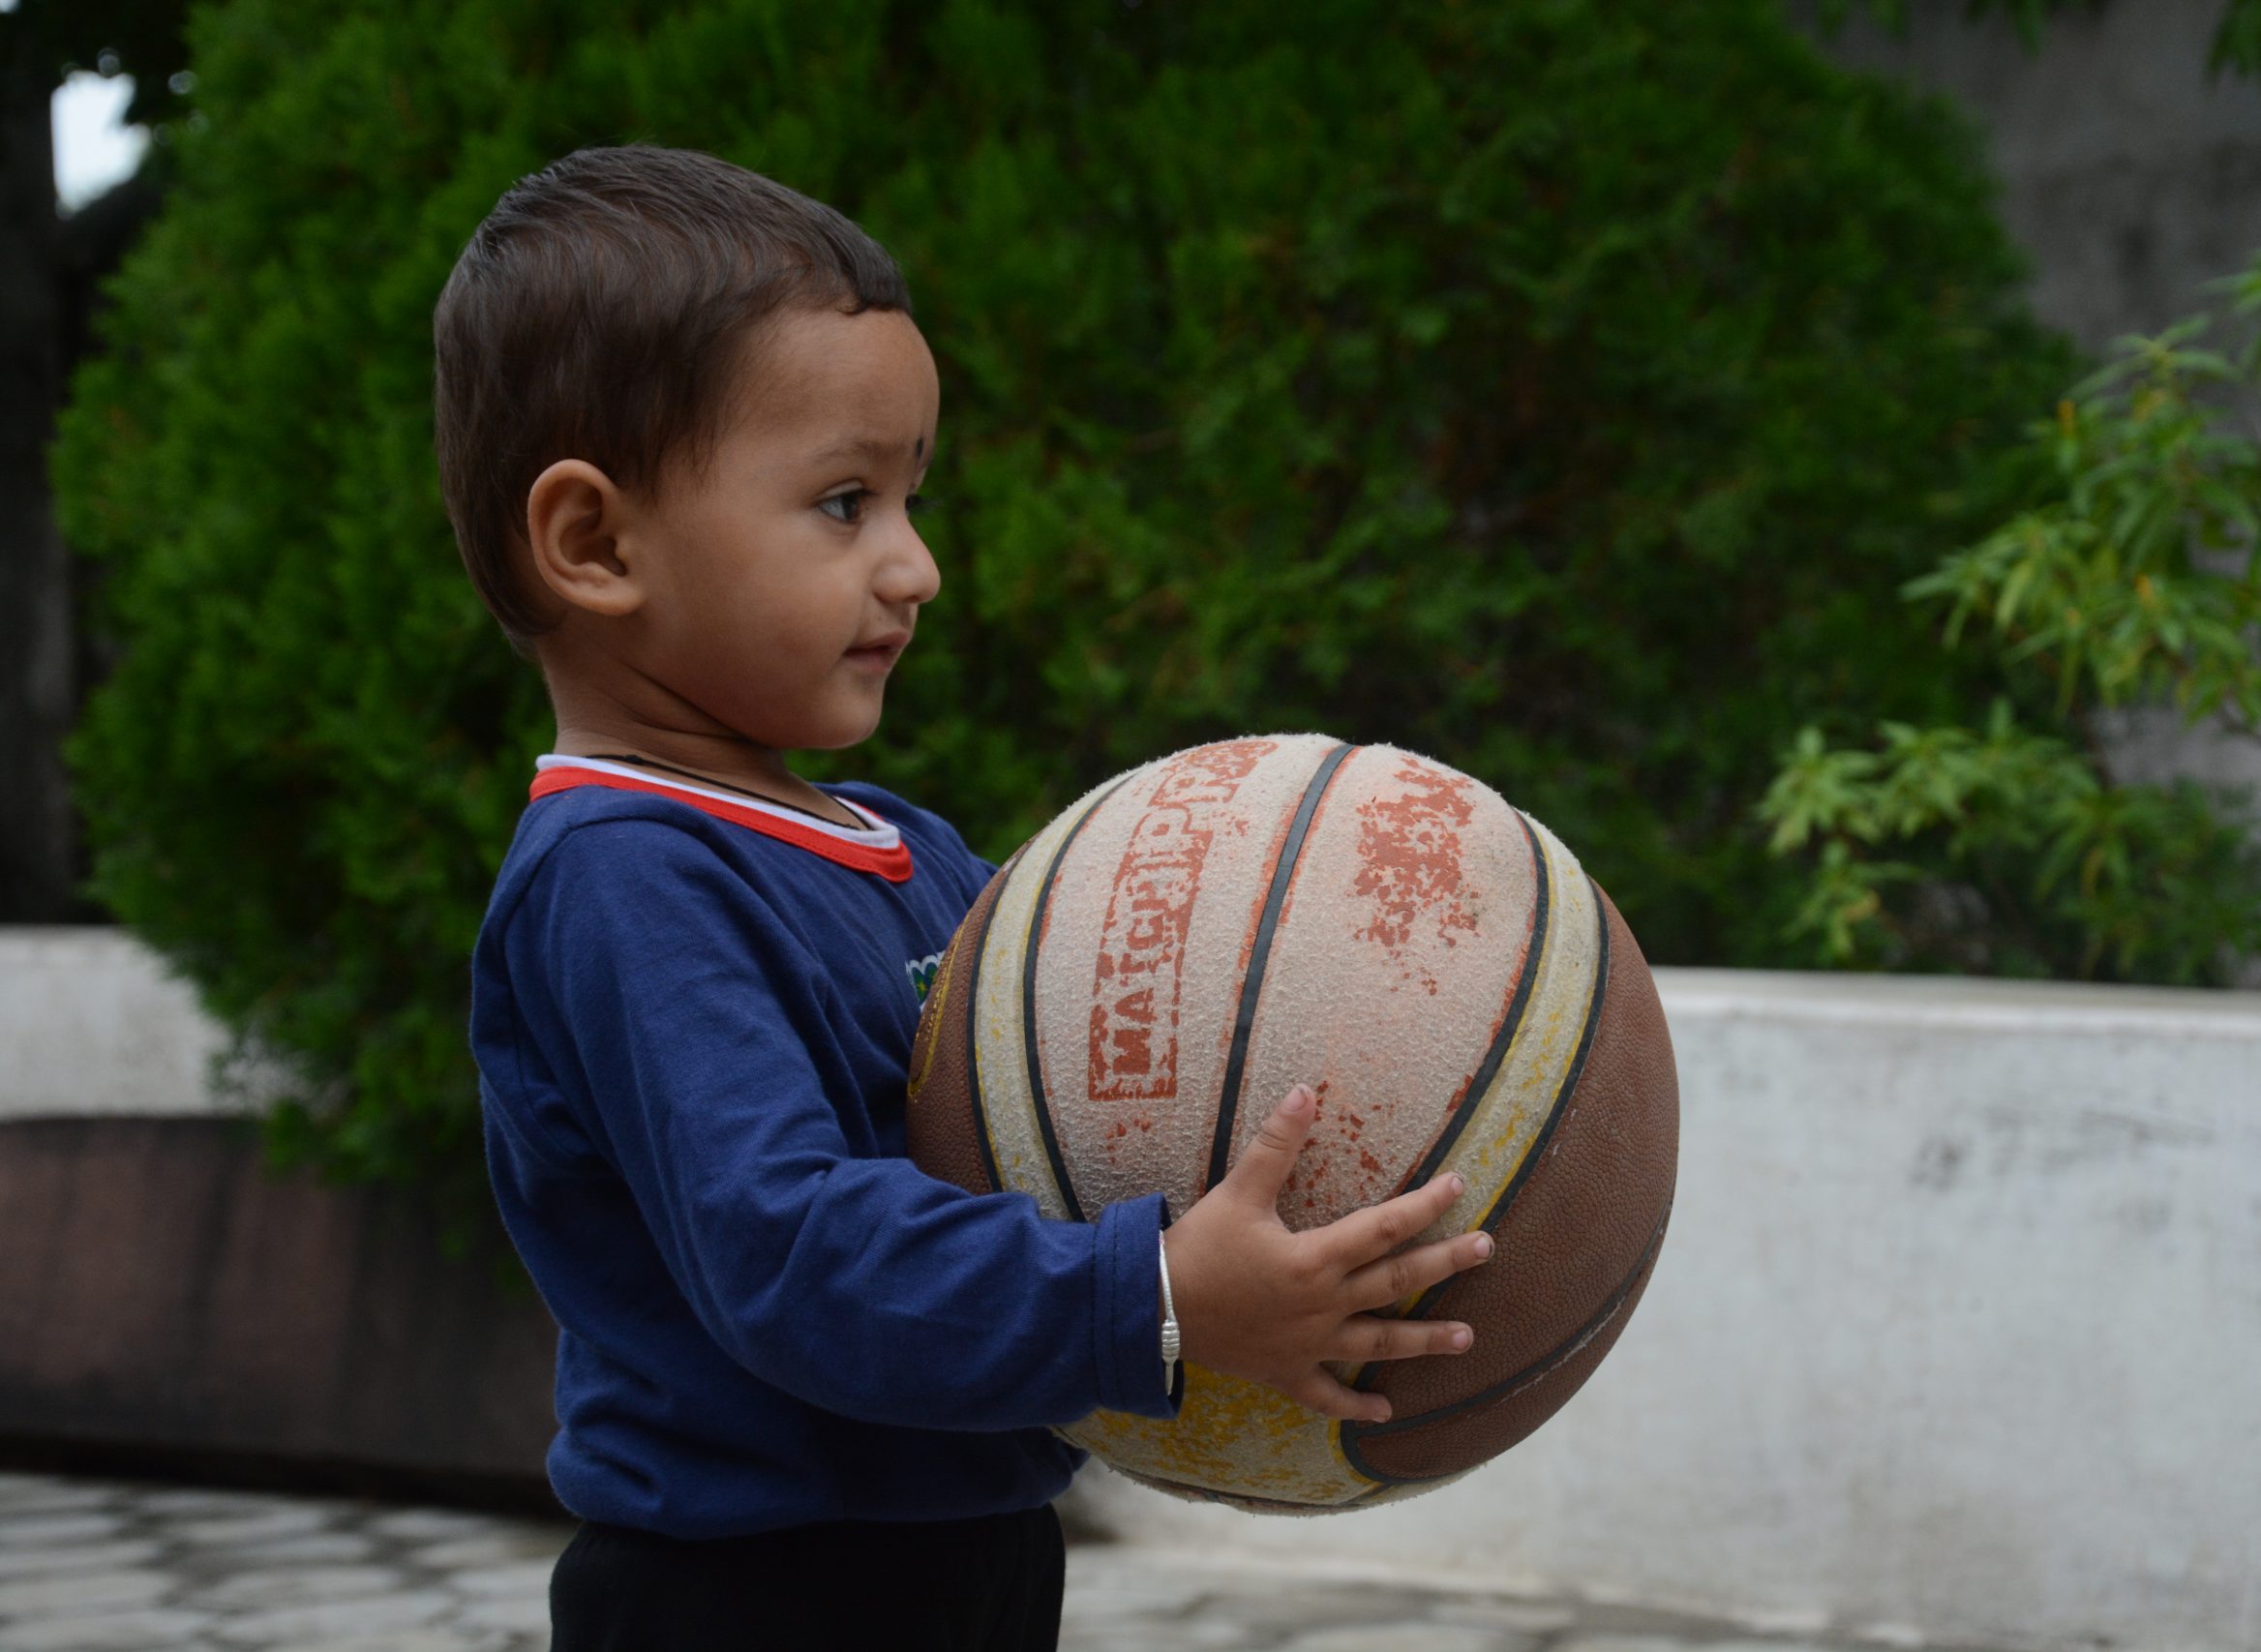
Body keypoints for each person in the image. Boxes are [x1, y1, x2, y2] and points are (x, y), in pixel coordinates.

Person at [434, 144, 1494, 1652]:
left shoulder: (897, 842)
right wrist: (1162, 1296)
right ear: (596, 544)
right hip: (754, 1596)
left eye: (912, 498)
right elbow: (791, 1253)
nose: (915, 566)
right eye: (844, 502)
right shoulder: (623, 878)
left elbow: (1079, 1102)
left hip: (971, 1555)